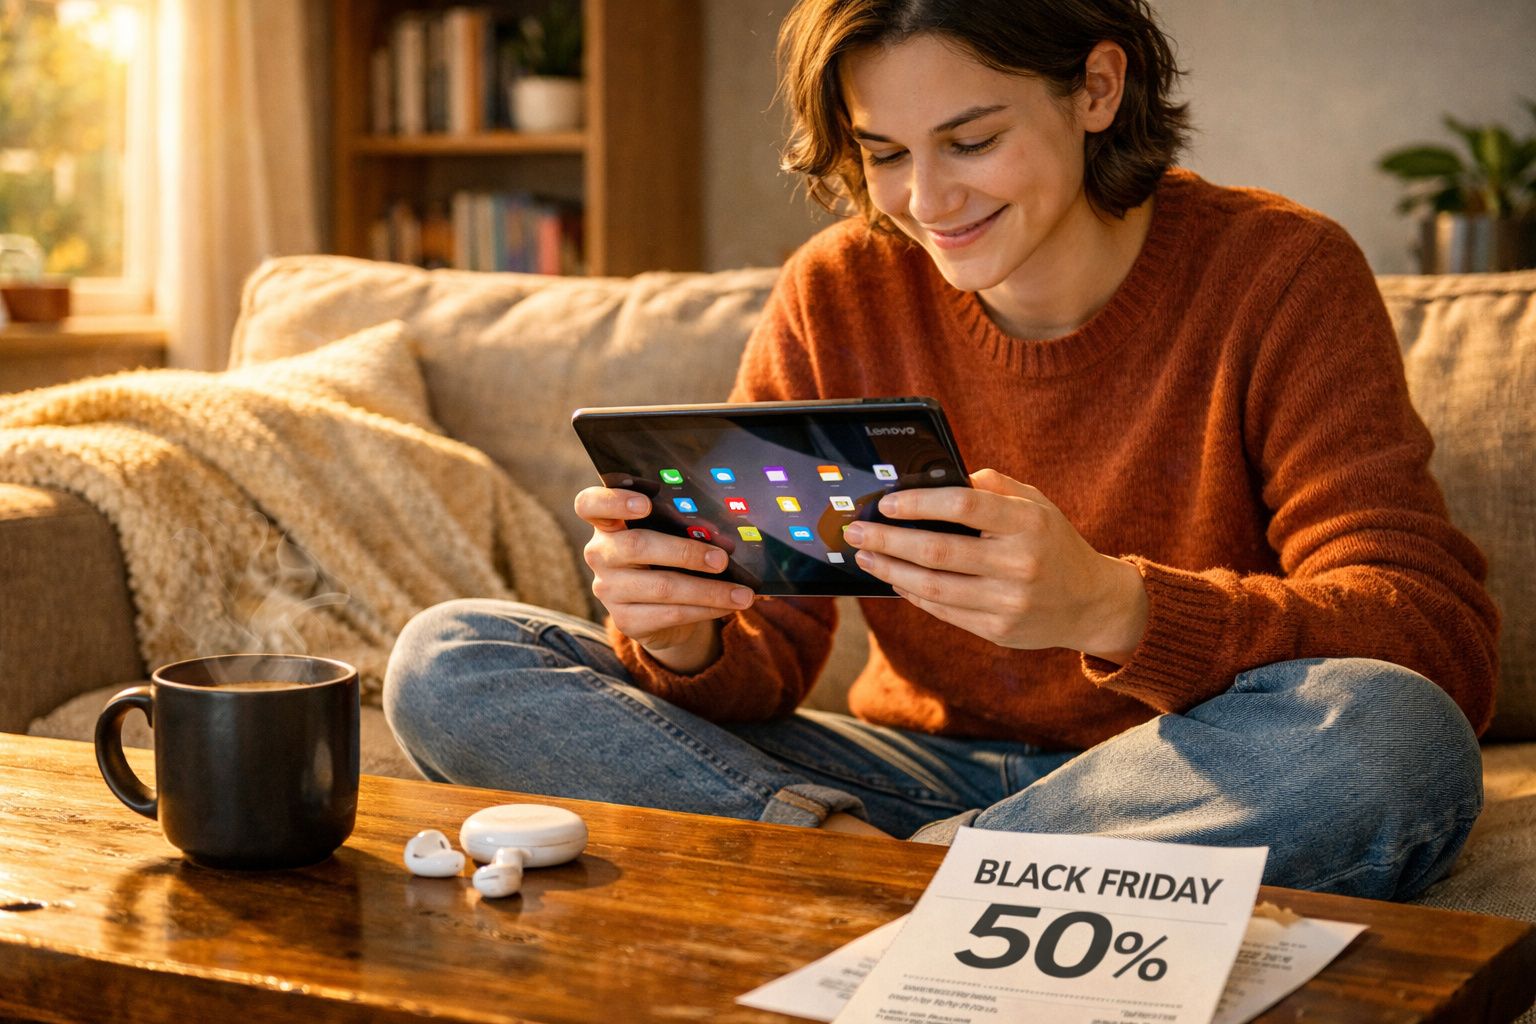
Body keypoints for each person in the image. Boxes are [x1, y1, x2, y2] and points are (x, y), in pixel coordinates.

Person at [383, 0, 1499, 901]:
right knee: (447, 660)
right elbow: (769, 657)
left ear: (1097, 89)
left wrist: (1116, 607)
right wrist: (681, 639)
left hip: (1193, 775)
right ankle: (904, 872)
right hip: (897, 783)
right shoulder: (841, 291)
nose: (927, 200)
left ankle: (885, 877)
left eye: (972, 141)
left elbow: (1432, 641)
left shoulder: (1280, 275)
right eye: (884, 153)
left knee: (1398, 739)